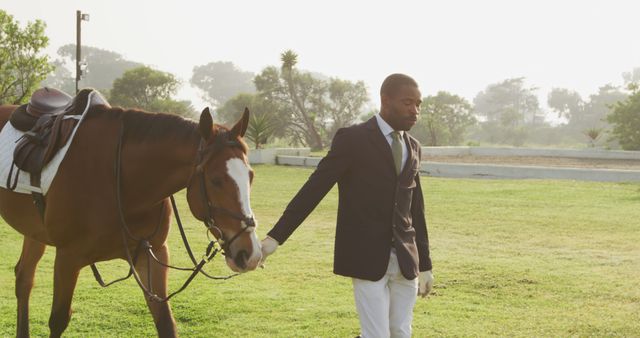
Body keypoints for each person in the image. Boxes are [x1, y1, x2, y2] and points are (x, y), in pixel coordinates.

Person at [261, 73, 434, 338]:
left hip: (406, 260)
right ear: (385, 101)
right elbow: (314, 189)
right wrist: (275, 237)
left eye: (419, 104)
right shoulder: (352, 139)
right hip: (366, 257)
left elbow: (415, 209)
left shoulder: (414, 147)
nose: (415, 110)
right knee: (376, 335)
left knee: (400, 332)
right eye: (408, 102)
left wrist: (425, 264)